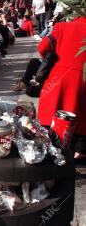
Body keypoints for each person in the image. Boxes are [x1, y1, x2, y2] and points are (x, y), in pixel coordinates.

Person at [37, 16, 86, 159]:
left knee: (51, 113)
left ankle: (50, 149)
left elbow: (43, 48)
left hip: (59, 77)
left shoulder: (62, 27)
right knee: (81, 115)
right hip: (83, 79)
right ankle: (79, 151)